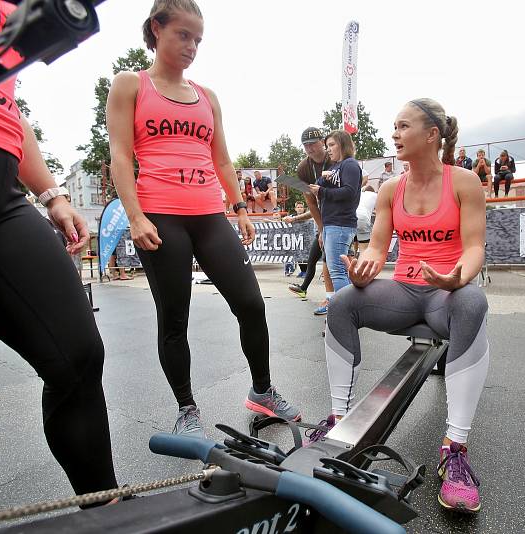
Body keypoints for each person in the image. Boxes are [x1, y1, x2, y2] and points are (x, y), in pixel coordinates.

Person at [0, 0, 121, 523]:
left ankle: (108, 516)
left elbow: (5, 99)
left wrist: (53, 194)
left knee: (78, 358)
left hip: (0, 182)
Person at [106, 0, 301, 438]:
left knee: (250, 303)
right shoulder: (129, 85)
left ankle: (263, 391)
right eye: (183, 35)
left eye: (198, 39)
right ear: (156, 28)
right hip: (159, 215)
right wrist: (135, 216)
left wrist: (239, 208)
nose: (192, 46)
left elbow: (223, 160)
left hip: (209, 214)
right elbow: (120, 157)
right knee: (174, 318)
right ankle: (187, 407)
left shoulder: (207, 96)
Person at [309, 98, 489, 513]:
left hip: (447, 294)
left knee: (473, 302)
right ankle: (338, 419)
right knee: (342, 302)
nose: (394, 134)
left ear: (431, 135)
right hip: (405, 292)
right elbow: (376, 248)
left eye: (403, 126)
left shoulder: (463, 182)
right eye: (393, 126)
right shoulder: (391, 189)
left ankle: (455, 450)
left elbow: (476, 246)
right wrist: (362, 272)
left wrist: (458, 277)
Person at [308, 130, 362, 312]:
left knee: (337, 270)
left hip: (340, 224)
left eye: (332, 145)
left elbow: (349, 192)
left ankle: (342, 312)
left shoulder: (350, 165)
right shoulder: (334, 168)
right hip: (334, 224)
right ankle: (348, 309)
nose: (328, 149)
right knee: (341, 270)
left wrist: (322, 191)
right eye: (327, 146)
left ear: (343, 145)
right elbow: (318, 186)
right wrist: (322, 181)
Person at [287, 127, 335, 314]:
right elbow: (310, 201)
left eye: (313, 144)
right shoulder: (302, 168)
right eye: (305, 145)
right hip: (324, 216)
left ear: (322, 142)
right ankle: (316, 292)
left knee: (332, 259)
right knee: (320, 256)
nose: (309, 148)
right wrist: (322, 228)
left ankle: (337, 299)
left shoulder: (334, 158)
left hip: (340, 214)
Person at [283, 201, 311, 276]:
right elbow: (283, 221)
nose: (299, 209)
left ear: (304, 209)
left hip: (306, 238)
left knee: (305, 255)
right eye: (298, 207)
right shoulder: (292, 216)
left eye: (301, 207)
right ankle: (302, 271)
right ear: (295, 209)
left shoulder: (307, 216)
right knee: (298, 255)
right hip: (296, 238)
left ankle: (306, 271)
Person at [355, 185, 378, 254]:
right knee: (364, 249)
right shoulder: (376, 195)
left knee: (352, 246)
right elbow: (379, 212)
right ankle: (362, 262)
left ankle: (354, 257)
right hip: (363, 218)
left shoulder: (359, 194)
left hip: (352, 217)